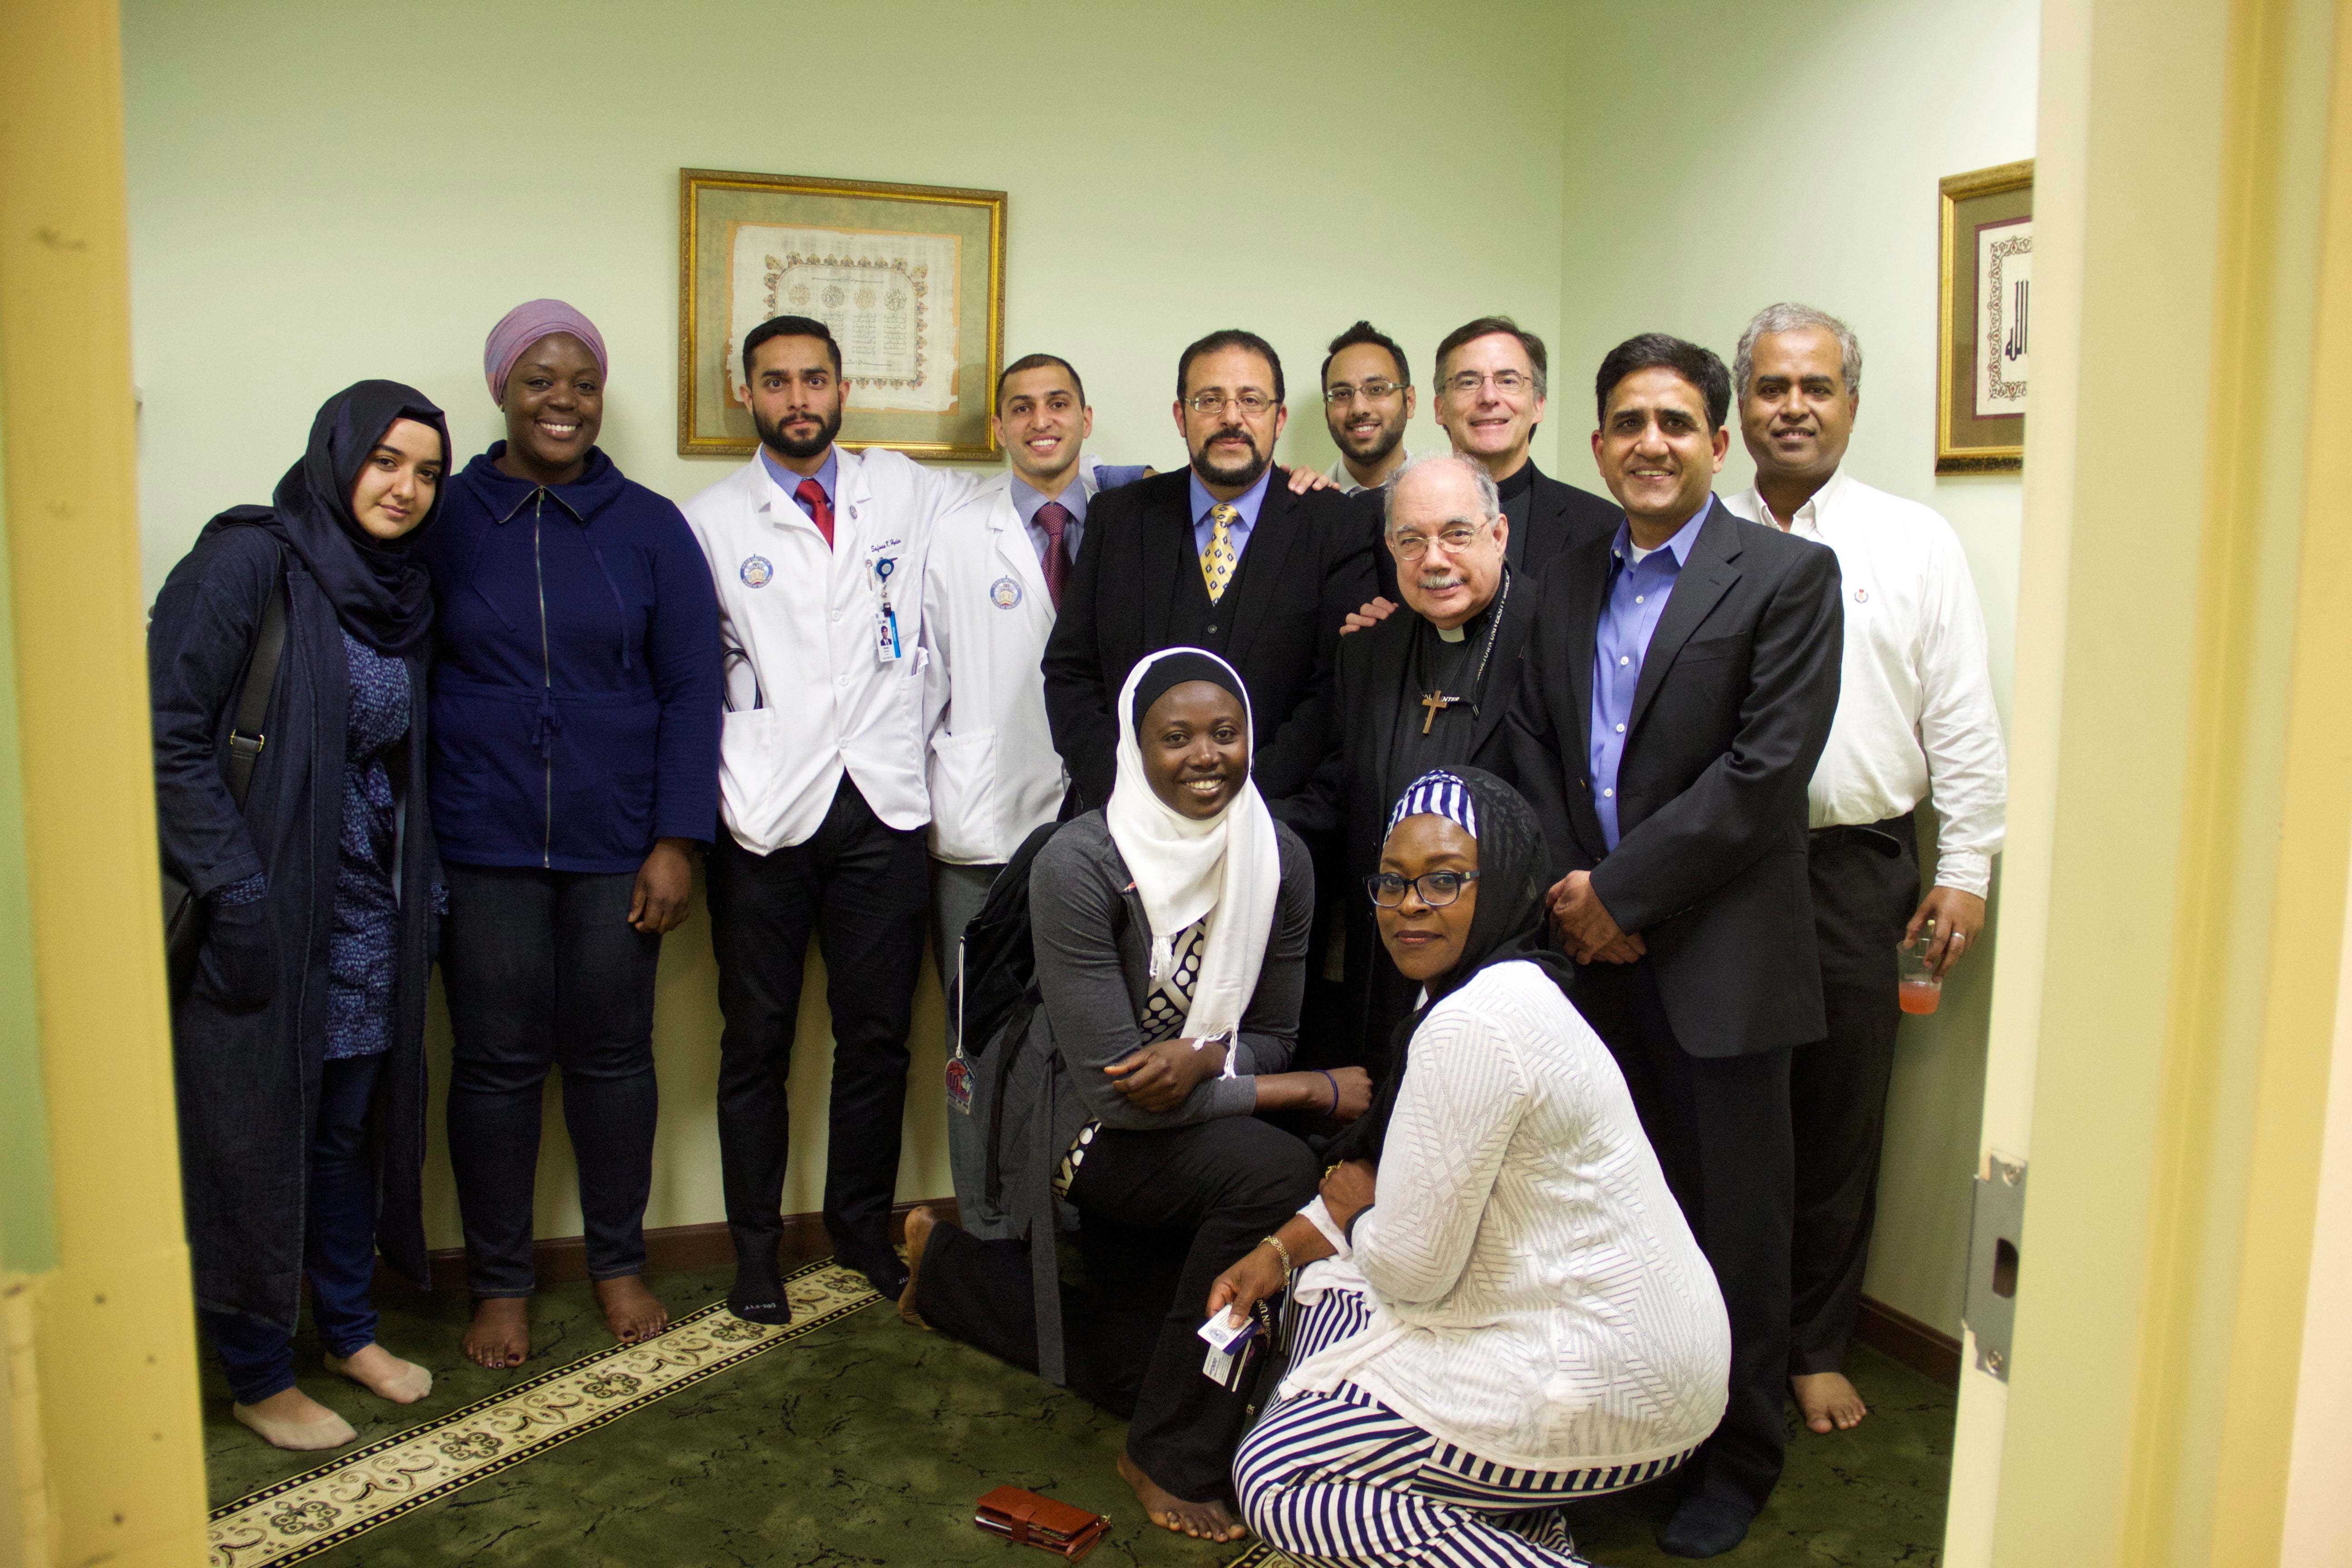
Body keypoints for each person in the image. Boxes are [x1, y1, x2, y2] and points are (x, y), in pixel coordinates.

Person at [899, 649, 1370, 1543]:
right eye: (1176, 737)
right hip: (1084, 1135)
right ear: (1134, 746)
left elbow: (1271, 1029)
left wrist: (1202, 1059)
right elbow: (1116, 1095)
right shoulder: (1079, 863)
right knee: (1278, 1174)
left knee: (1140, 1367)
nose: (1206, 756)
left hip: (1191, 1132)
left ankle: (948, 1273)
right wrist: (1304, 1089)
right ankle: (1169, 1455)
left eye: (1225, 734)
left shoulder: (1282, 861)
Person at [1507, 334, 1843, 1558]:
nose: (1651, 443)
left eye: (1678, 424)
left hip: (1721, 968)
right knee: (1609, 1217)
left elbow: (1763, 779)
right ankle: (1629, 1432)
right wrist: (1576, 897)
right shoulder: (1560, 578)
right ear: (1597, 446)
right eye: (1629, 423)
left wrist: (1627, 897)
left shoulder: (1791, 578)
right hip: (1594, 964)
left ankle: (1741, 1458)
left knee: (1732, 1230)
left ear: (1718, 442)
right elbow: (1534, 743)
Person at [1220, 768, 1731, 1567]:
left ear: (1504, 886)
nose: (1409, 904)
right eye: (1391, 883)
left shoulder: (1474, 1025)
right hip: (1603, 1335)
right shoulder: (1495, 989)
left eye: (1443, 880)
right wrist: (1283, 1250)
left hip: (1615, 1370)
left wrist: (1357, 1212)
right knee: (1323, 1290)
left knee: (1275, 1477)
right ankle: (1517, 1527)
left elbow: (1415, 1269)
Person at [150, 381, 452, 1450]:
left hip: (364, 923)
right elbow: (165, 736)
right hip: (260, 914)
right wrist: (234, 891)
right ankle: (256, 1369)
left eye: (425, 470)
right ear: (335, 456)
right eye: (384, 461)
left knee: (340, 1138)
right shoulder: (248, 561)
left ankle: (349, 1329)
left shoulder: (399, 592)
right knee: (251, 1140)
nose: (405, 487)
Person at [1725, 302, 2008, 1435]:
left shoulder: (1912, 541)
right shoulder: (1694, 529)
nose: (1792, 406)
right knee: (1720, 1112)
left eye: (1816, 386)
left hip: (1856, 869)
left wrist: (1968, 865)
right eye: (1770, 387)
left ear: (1850, 401)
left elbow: (1963, 721)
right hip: (1723, 870)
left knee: (1838, 1120)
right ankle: (1717, 1336)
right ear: (1739, 404)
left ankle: (1811, 1342)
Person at [423, 300, 722, 1370]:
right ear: (502, 388)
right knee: (495, 1064)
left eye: (582, 381)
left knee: (611, 1058)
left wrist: (678, 837)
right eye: (540, 379)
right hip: (481, 835)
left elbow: (693, 688)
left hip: (616, 843)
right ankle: (500, 1282)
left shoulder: (649, 526)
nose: (563, 400)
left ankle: (617, 1262)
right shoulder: (448, 517)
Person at [680, 314, 975, 1318]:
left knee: (878, 1039)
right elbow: (697, 671)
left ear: (843, 389)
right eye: (776, 382)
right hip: (765, 813)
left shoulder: (908, 490)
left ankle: (858, 1230)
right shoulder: (711, 520)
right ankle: (756, 1250)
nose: (797, 398)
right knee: (755, 1040)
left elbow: (1018, 509)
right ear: (747, 395)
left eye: (814, 380)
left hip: (885, 806)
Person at [920, 351, 1142, 1234]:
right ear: (1000, 427)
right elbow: (921, 679)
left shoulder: (1130, 525)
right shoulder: (953, 535)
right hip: (984, 826)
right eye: (1021, 406)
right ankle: (987, 1224)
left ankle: (1090, 1223)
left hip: (1109, 829)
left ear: (1088, 418)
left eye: (1059, 404)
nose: (1041, 419)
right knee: (981, 1041)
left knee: (1100, 1036)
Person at [1042, 329, 1378, 816]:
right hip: (1124, 824)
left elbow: (1336, 692)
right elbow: (1071, 673)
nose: (1231, 418)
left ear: (1279, 418)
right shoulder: (1118, 519)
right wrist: (1129, 794)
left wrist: (1236, 805)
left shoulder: (1337, 526)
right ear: (1181, 416)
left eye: (1251, 400)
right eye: (1209, 401)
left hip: (1274, 823)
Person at [1293, 453, 1534, 1077]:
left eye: (1457, 534)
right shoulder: (1370, 649)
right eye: (1411, 540)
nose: (1434, 560)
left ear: (1498, 533)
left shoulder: (1552, 630)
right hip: (1388, 956)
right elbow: (1342, 793)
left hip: (1510, 968)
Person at [1348, 316, 1616, 621]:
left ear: (1539, 404)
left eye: (1508, 381)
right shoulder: (1368, 521)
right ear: (1440, 408)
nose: (1489, 397)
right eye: (1468, 382)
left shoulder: (1604, 528)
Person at [1319, 320, 1417, 494]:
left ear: (1409, 401)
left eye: (1377, 389)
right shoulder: (1303, 505)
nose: (1359, 408)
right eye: (1342, 394)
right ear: (1327, 412)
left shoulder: (1455, 493)